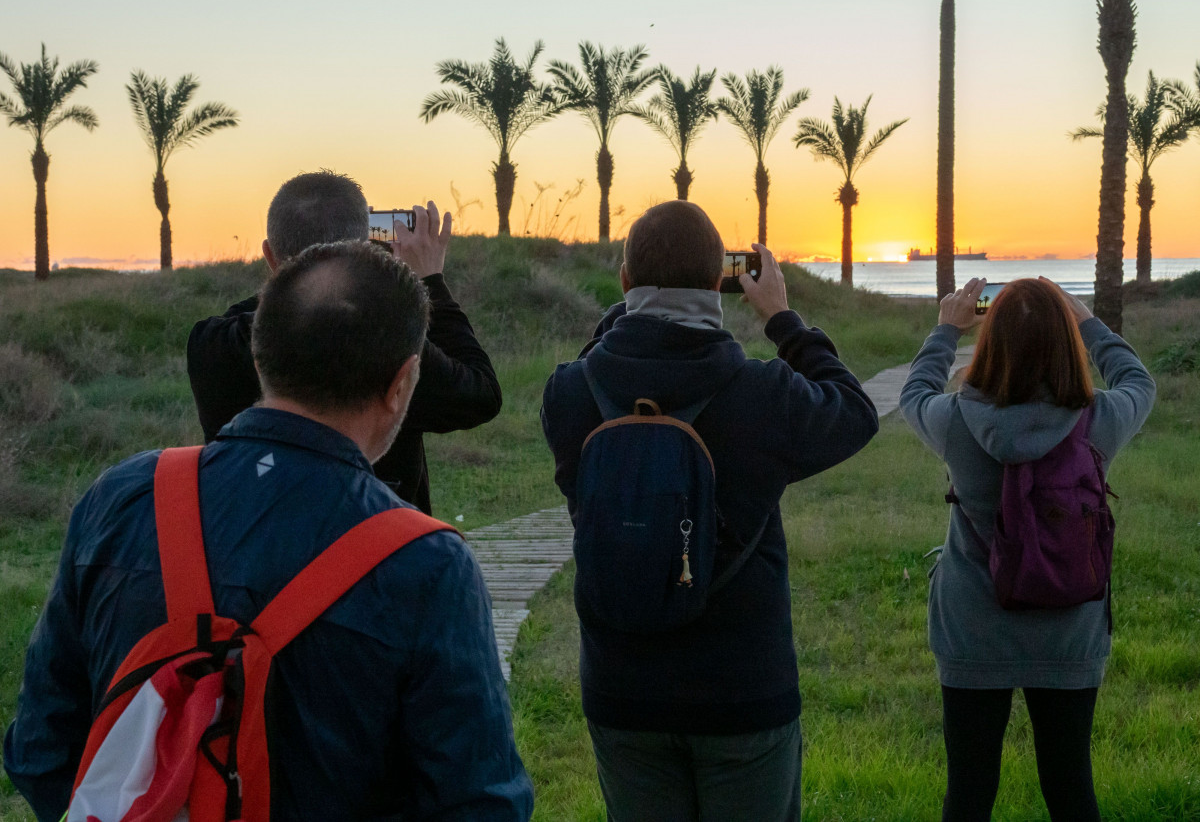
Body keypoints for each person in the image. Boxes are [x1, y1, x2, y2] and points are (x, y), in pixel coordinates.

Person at [4, 240, 534, 821]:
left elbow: (39, 751)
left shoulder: (122, 497)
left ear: (260, 361)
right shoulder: (427, 564)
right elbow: (480, 803)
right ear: (402, 383)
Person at [540, 200, 879, 821]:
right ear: (719, 283)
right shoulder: (765, 394)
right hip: (743, 689)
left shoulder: (568, 393)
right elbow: (854, 413)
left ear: (624, 284)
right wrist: (782, 319)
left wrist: (630, 304)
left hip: (622, 690)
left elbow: (599, 355)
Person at [899, 277, 1156, 822]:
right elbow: (1139, 381)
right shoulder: (1099, 420)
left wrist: (946, 329)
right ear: (1067, 342)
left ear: (991, 343)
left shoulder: (954, 422)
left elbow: (913, 394)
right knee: (1069, 786)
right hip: (1069, 628)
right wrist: (1088, 322)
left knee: (968, 791)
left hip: (972, 630)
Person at [187, 169, 500, 514]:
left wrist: (302, 274)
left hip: (246, 549)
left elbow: (271, 308)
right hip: (380, 551)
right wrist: (427, 281)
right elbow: (480, 394)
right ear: (365, 247)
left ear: (269, 254)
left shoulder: (211, 344)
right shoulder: (383, 332)